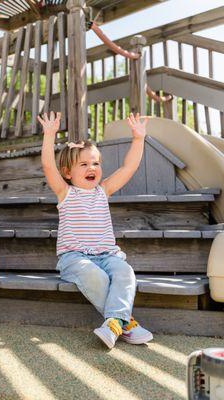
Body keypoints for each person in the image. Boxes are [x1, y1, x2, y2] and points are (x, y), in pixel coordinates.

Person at [38, 111, 153, 348]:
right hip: (75, 258)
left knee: (125, 272)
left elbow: (128, 168)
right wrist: (49, 135)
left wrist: (138, 139)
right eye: (84, 164)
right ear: (68, 173)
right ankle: (126, 321)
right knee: (95, 276)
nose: (92, 167)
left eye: (96, 163)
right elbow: (48, 165)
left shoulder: (104, 191)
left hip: (107, 255)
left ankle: (113, 323)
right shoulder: (65, 192)